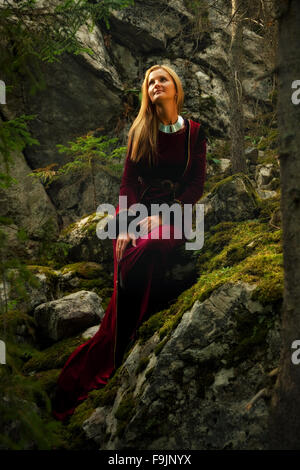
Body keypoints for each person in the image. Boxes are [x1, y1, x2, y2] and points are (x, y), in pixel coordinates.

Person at [51, 64, 206, 422]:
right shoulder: (141, 130)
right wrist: (124, 224)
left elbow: (195, 185)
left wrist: (167, 214)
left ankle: (118, 342)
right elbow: (128, 185)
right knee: (130, 247)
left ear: (176, 88)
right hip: (137, 213)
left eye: (162, 80)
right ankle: (124, 332)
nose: (155, 85)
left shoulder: (195, 133)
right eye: (150, 82)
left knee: (151, 246)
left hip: (176, 216)